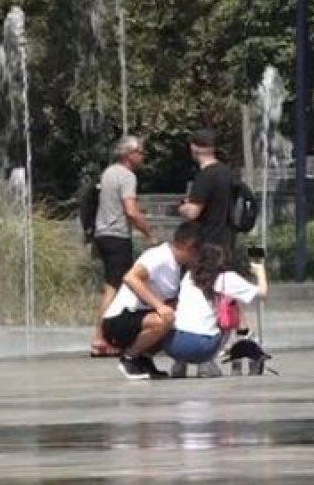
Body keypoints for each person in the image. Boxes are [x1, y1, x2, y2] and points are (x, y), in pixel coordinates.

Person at [102, 221, 202, 379]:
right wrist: (159, 306)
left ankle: (144, 358)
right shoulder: (159, 256)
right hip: (120, 319)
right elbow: (130, 278)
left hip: (141, 317)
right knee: (165, 319)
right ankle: (129, 358)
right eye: (198, 253)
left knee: (178, 321)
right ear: (189, 247)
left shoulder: (177, 267)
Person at [91, 135, 155, 357]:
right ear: (129, 154)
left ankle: (110, 336)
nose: (143, 157)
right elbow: (131, 211)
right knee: (114, 288)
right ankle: (100, 338)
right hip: (117, 236)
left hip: (102, 234)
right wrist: (149, 234)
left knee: (115, 286)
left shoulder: (108, 172)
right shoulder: (127, 176)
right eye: (141, 152)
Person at [164, 243, 268, 378]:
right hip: (201, 346)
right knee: (229, 313)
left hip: (173, 344)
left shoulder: (189, 276)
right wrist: (260, 272)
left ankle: (179, 363)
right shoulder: (226, 278)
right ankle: (206, 362)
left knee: (189, 316)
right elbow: (263, 293)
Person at [178, 129, 234, 256]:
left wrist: (182, 207)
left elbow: (192, 213)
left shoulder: (205, 176)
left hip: (207, 242)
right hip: (227, 241)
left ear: (194, 148)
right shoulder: (228, 173)